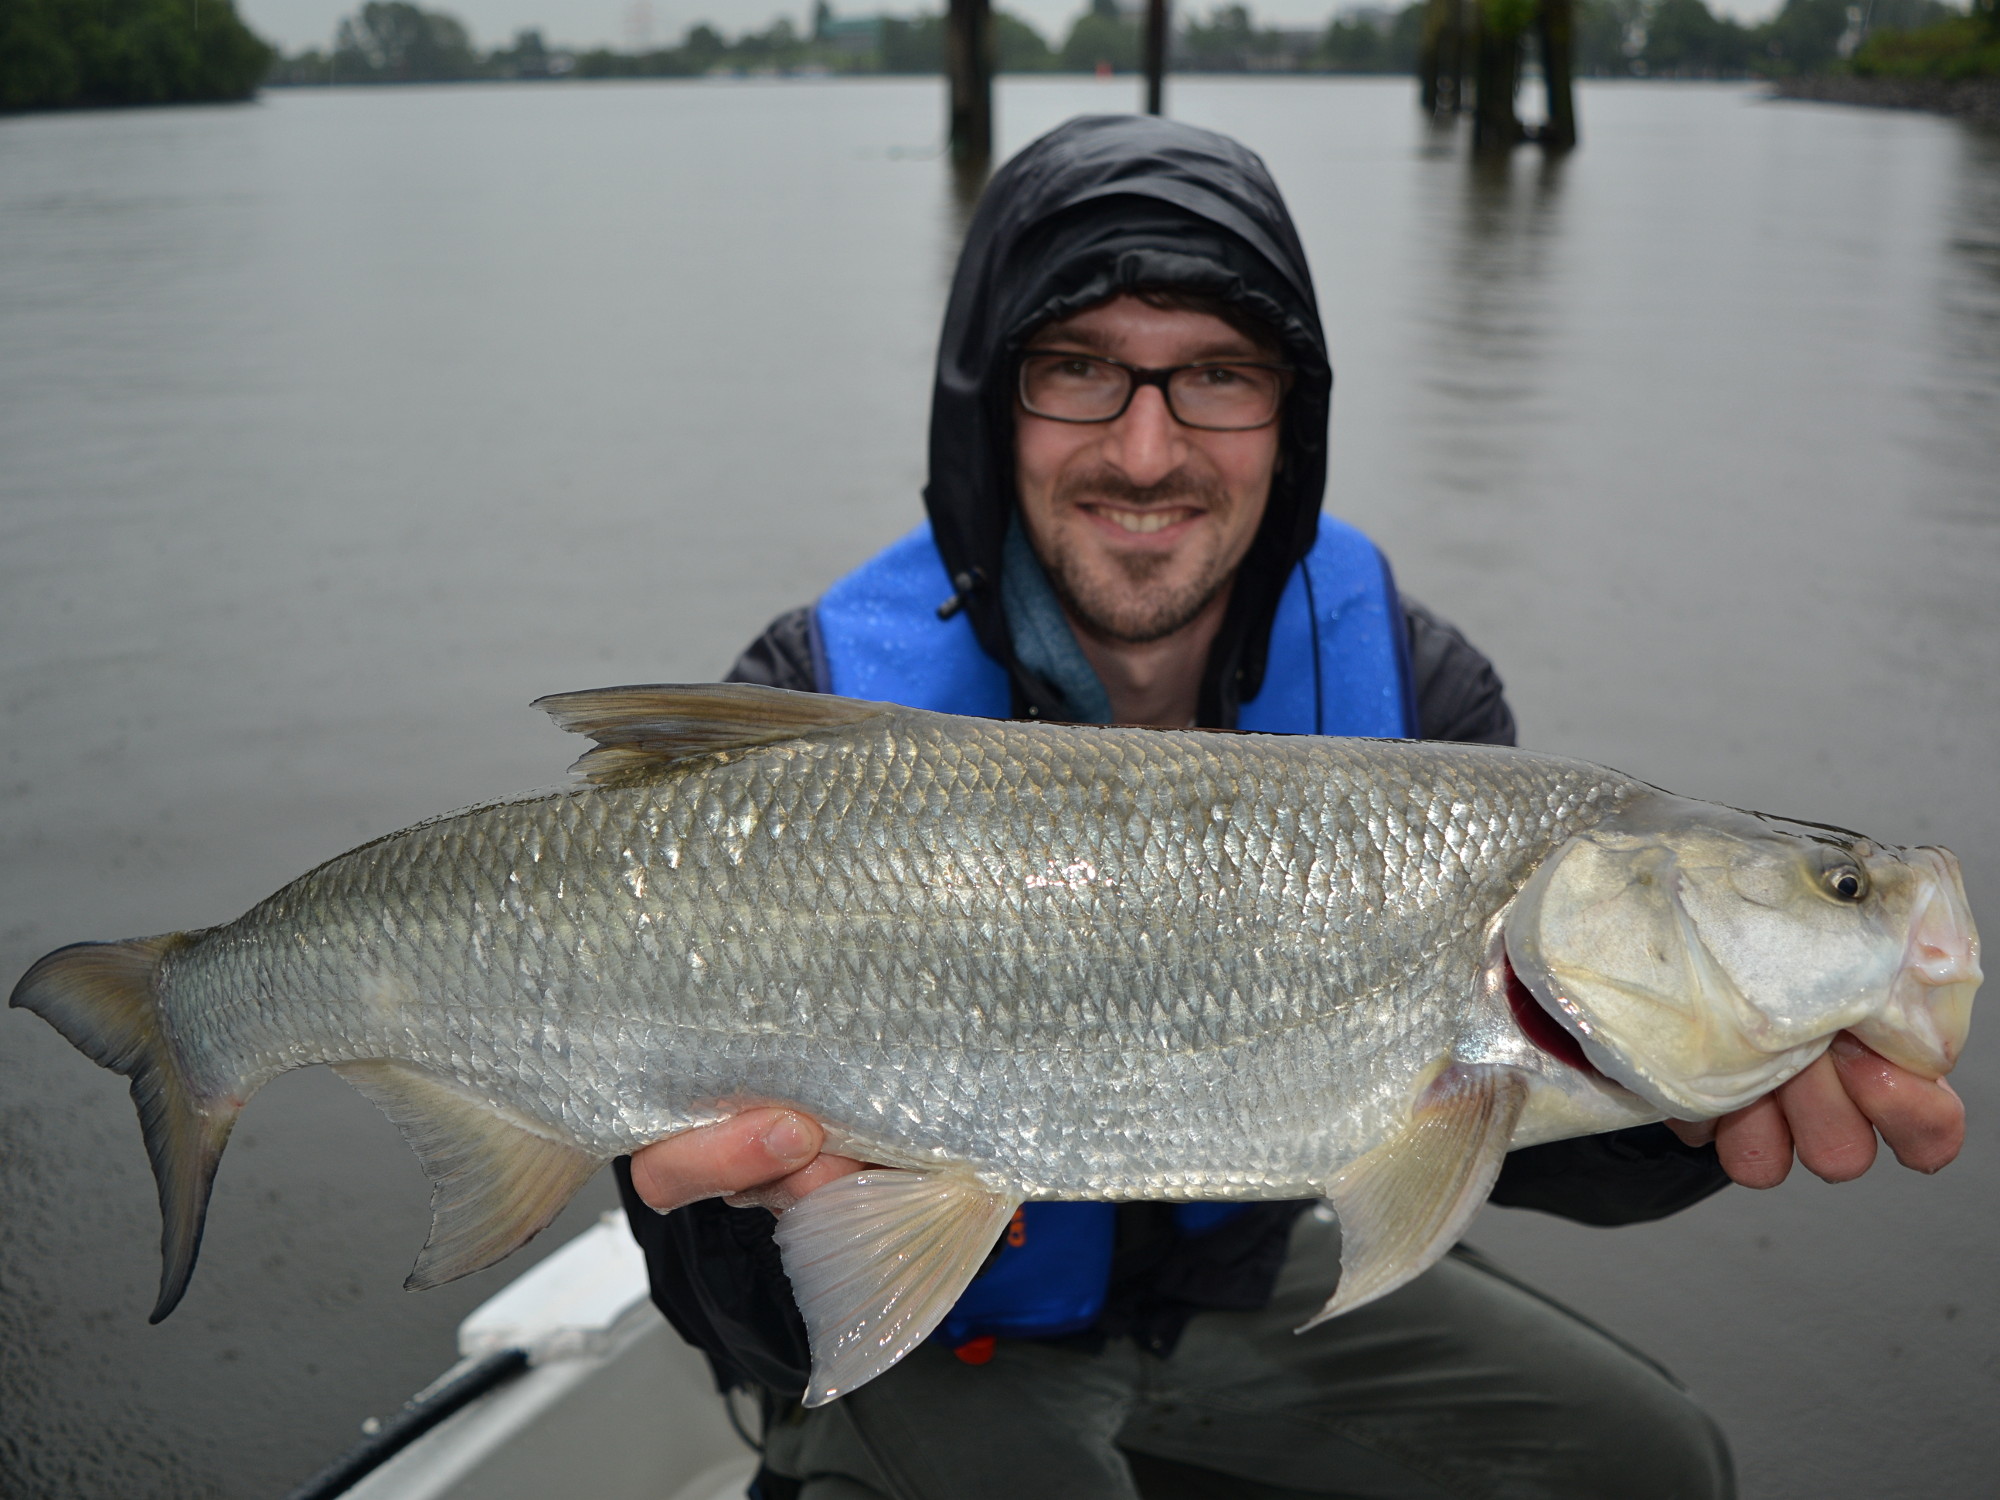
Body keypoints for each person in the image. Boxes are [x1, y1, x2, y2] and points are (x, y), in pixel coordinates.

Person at [615, 117, 1964, 1500]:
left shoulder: (1423, 692)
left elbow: (1502, 1121)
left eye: (1217, 375)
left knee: (1657, 1465)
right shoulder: (804, 702)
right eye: (1078, 369)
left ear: (1293, 415)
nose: (1147, 453)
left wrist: (1687, 1110)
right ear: (989, 405)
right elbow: (711, 1284)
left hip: (1239, 1279)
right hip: (946, 1333)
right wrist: (740, 1227)